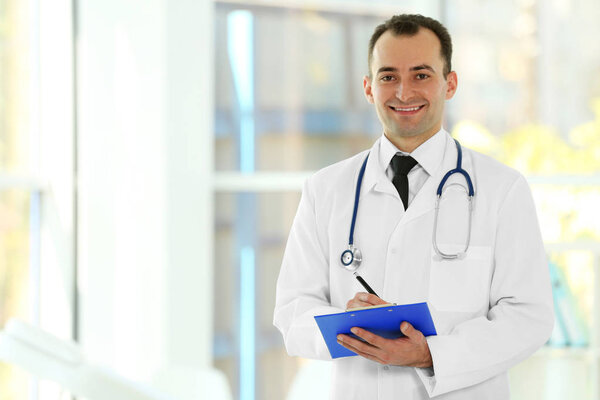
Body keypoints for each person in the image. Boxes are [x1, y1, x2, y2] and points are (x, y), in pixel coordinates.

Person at [273, 14, 553, 399]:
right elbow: (292, 312)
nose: (403, 92)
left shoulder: (502, 190)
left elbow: (528, 317)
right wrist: (345, 324)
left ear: (449, 83)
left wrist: (431, 354)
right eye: (388, 76)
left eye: (421, 75)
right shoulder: (326, 190)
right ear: (369, 88)